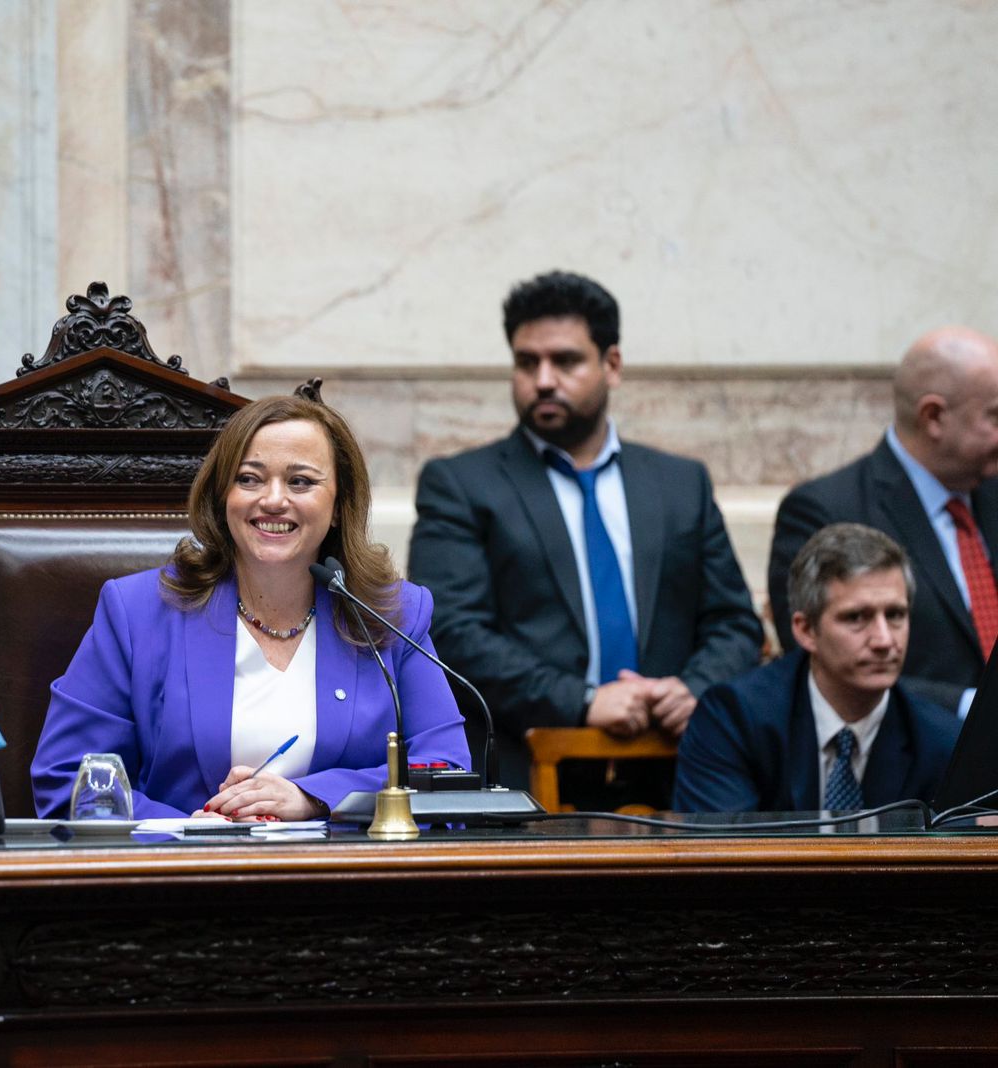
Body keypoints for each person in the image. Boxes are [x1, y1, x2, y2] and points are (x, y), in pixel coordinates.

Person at [31, 394, 470, 820]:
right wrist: (186, 831)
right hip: (182, 882)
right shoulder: (137, 612)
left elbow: (447, 772)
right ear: (224, 499)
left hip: (347, 883)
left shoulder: (389, 614)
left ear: (338, 505)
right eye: (249, 478)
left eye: (300, 481)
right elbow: (68, 778)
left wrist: (314, 799)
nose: (274, 499)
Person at [408, 270, 763, 791]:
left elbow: (734, 622)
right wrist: (583, 699)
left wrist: (692, 689)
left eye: (566, 360)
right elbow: (453, 631)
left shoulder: (679, 484)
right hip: (528, 772)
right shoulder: (461, 485)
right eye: (527, 362)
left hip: (681, 767)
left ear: (612, 364)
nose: (544, 380)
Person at [768, 326, 998, 717]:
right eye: (995, 416)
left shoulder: (991, 492)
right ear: (934, 417)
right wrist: (972, 709)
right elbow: (825, 670)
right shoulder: (824, 511)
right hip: (912, 764)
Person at [675, 524, 960, 812]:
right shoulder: (733, 720)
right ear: (806, 629)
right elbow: (725, 852)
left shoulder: (941, 742)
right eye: (857, 617)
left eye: (895, 615)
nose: (884, 640)